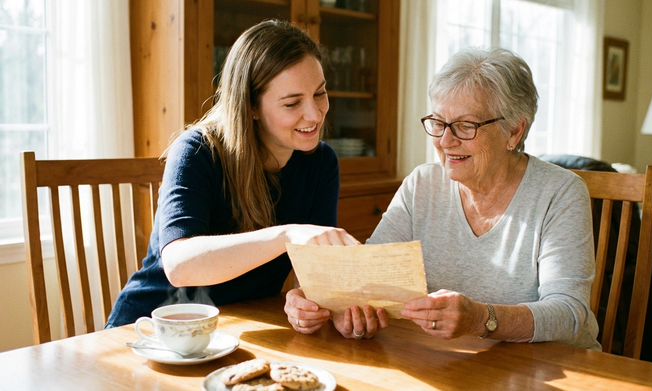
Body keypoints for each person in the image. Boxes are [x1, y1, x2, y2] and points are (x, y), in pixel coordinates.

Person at [286, 47, 601, 350]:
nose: (446, 141)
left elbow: (570, 315)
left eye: (465, 126)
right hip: (445, 364)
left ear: (514, 131)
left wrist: (482, 319)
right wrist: (327, 305)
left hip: (547, 370)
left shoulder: (560, 193)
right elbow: (367, 279)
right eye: (438, 123)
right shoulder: (423, 184)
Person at [106, 19, 360, 328]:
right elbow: (179, 264)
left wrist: (304, 303)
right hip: (151, 329)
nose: (315, 113)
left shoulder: (321, 163)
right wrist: (286, 234)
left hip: (237, 329)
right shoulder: (197, 151)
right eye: (292, 102)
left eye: (319, 93)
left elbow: (315, 274)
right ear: (250, 106)